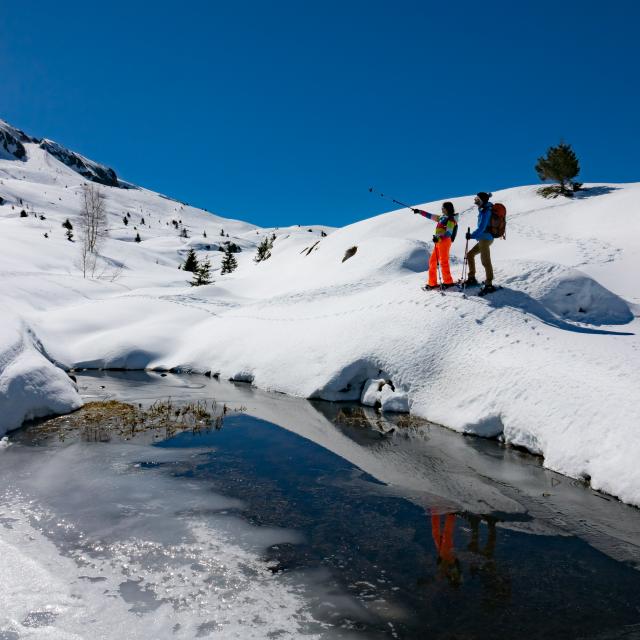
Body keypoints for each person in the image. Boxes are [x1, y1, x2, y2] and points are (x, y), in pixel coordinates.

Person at [413, 202, 458, 290]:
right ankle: (432, 283)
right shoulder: (442, 217)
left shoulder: (451, 219)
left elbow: (449, 233)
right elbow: (430, 216)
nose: (441, 209)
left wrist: (439, 239)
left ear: (447, 208)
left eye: (443, 208)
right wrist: (419, 211)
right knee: (432, 261)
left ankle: (448, 282)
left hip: (444, 241)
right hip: (438, 241)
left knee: (443, 261)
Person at [465, 192, 496, 295]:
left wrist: (471, 235)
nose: (475, 200)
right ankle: (472, 277)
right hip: (483, 238)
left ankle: (489, 284)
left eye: (477, 199)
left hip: (485, 238)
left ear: (482, 200)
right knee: (470, 254)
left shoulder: (486, 211)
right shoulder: (483, 209)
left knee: (485, 261)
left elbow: (482, 228)